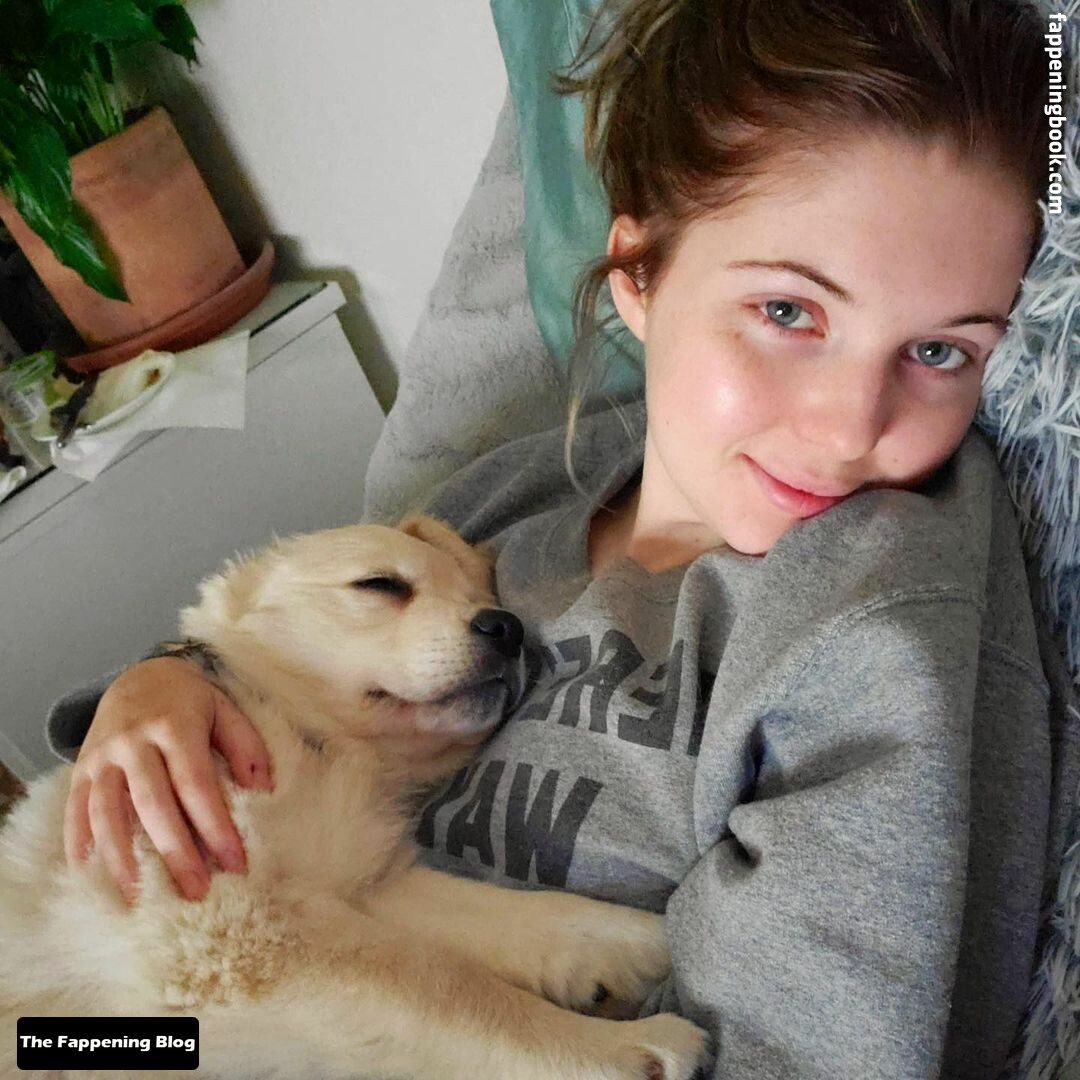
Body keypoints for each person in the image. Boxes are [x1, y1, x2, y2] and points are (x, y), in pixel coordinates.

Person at [43, 1, 1076, 1077]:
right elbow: (291, 650)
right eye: (787, 312)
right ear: (638, 273)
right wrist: (171, 675)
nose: (850, 427)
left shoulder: (876, 612)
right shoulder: (510, 496)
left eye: (941, 352)